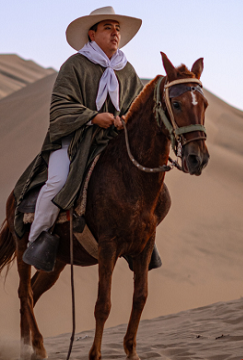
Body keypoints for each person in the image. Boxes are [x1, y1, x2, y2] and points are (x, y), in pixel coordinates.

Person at [15, 6, 161, 271]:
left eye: (117, 29)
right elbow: (60, 107)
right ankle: (38, 239)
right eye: (108, 28)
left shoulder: (126, 71)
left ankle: (139, 240)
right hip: (73, 143)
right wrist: (94, 117)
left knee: (151, 190)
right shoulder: (74, 65)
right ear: (92, 34)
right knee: (57, 182)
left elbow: (137, 108)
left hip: (113, 144)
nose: (115, 33)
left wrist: (125, 119)